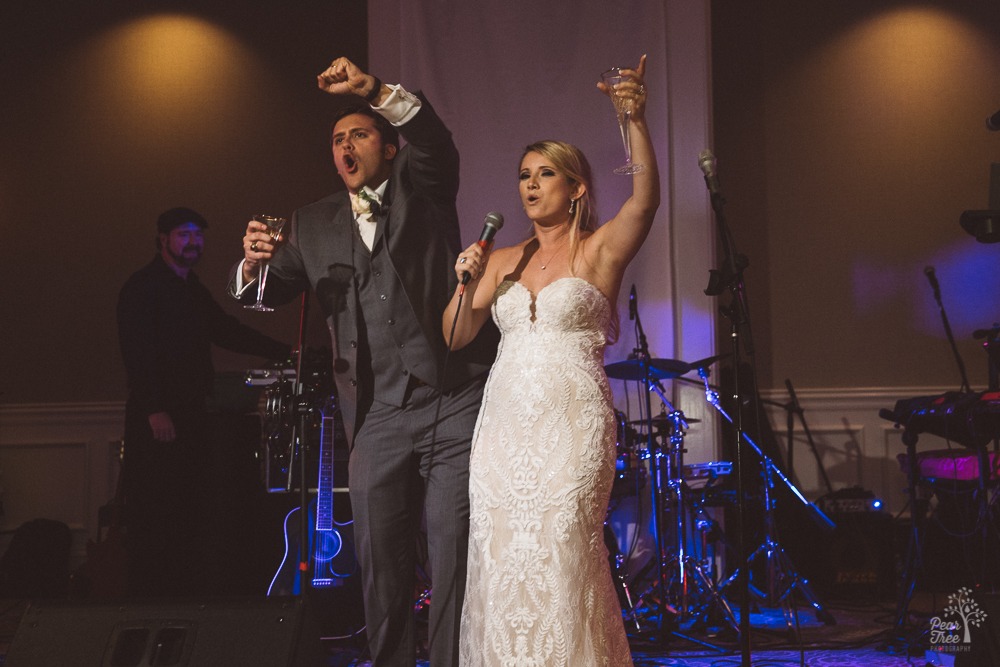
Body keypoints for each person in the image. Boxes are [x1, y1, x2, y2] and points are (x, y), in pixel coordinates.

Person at [231, 58, 497, 666]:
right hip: (375, 413)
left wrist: (372, 91)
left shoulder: (424, 182)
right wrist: (251, 266)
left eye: (359, 134)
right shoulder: (312, 222)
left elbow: (434, 137)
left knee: (451, 547)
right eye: (336, 140)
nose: (345, 147)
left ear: (388, 145)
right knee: (380, 558)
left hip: (451, 400)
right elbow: (266, 295)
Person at [443, 56, 658, 666]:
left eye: (545, 174)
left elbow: (645, 200)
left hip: (571, 424)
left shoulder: (599, 251)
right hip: (504, 427)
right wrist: (465, 280)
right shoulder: (502, 257)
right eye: (523, 176)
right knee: (502, 553)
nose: (530, 185)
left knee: (563, 547)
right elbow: (456, 336)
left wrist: (633, 117)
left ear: (577, 187)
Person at [117, 207, 291, 598]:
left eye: (198, 235)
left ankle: (182, 601)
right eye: (184, 234)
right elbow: (137, 353)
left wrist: (286, 351)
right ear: (163, 239)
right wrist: (154, 410)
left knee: (184, 509)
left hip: (192, 413)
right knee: (156, 512)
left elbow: (224, 329)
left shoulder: (189, 287)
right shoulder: (143, 287)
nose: (193, 242)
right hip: (158, 419)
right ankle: (150, 604)